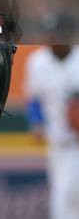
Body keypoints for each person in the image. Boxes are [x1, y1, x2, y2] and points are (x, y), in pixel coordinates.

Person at [24, 12, 79, 219]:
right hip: (57, 142)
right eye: (51, 34)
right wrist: (36, 123)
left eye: (58, 34)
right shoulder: (37, 61)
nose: (53, 39)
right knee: (63, 195)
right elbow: (34, 98)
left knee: (67, 195)